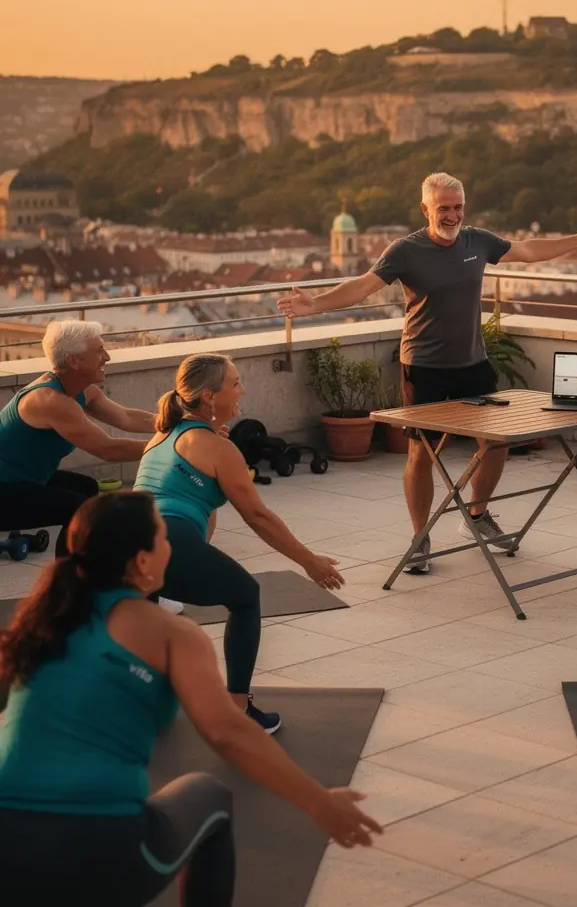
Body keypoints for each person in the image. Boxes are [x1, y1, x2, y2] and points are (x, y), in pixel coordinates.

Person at [0, 490, 381, 907]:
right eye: (165, 538)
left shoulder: (38, 620)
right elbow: (226, 731)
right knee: (209, 795)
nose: (171, 548)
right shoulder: (171, 633)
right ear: (142, 561)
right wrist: (319, 802)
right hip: (99, 844)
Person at [278, 171, 577, 574]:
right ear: (426, 209)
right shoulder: (405, 250)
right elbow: (363, 287)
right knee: (422, 453)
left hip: (472, 363)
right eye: (444, 208)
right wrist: (314, 305)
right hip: (424, 368)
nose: (452, 215)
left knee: (496, 443)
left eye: (458, 207)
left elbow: (526, 250)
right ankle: (421, 538)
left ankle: (475, 516)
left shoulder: (478, 241)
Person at [133, 353, 343, 734]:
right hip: (167, 537)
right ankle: (237, 711)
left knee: (149, 608)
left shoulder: (164, 434)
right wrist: (308, 560)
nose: (242, 389)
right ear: (210, 397)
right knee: (245, 596)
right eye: (235, 382)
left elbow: (202, 514)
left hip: (125, 539)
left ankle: (141, 699)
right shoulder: (217, 448)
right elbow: (257, 516)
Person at [0, 321, 153, 555]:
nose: (107, 356)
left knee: (87, 489)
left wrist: (179, 422)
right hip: (5, 490)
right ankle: (66, 580)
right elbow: (108, 449)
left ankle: (77, 568)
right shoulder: (51, 401)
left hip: (22, 481)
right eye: (99, 350)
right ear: (74, 361)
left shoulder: (79, 390)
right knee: (79, 509)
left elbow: (125, 417)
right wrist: (176, 445)